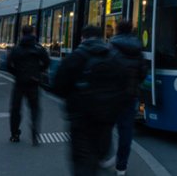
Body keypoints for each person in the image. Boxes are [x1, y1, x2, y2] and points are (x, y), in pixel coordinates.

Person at [53, 25, 126, 176]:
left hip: (81, 119)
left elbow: (58, 86)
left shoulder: (75, 57)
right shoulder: (114, 57)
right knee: (98, 157)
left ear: (83, 38)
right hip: (106, 119)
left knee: (82, 160)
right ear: (102, 37)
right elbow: (123, 87)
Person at [108, 20, 147, 176]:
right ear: (131, 30)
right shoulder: (138, 50)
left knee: (104, 126)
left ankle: (104, 157)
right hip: (130, 95)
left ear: (117, 30)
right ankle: (121, 166)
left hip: (111, 95)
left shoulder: (111, 47)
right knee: (126, 132)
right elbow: (142, 73)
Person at [7, 25, 50, 145]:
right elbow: (47, 62)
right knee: (34, 108)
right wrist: (38, 71)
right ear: (33, 33)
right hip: (34, 82)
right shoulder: (38, 48)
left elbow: (8, 65)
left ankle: (14, 134)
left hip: (19, 83)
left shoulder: (16, 49)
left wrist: (17, 74)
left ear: (22, 33)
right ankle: (35, 134)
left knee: (15, 109)